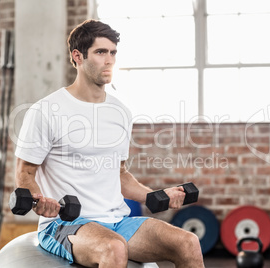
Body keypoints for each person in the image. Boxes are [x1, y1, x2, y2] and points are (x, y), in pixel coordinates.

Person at [14, 19, 204, 268]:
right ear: (78, 56)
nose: (109, 60)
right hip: (65, 224)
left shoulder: (120, 111)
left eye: (113, 52)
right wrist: (39, 202)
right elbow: (25, 171)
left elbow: (120, 174)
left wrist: (158, 196)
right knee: (113, 248)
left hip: (117, 222)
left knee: (188, 242)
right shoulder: (46, 110)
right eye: (101, 52)